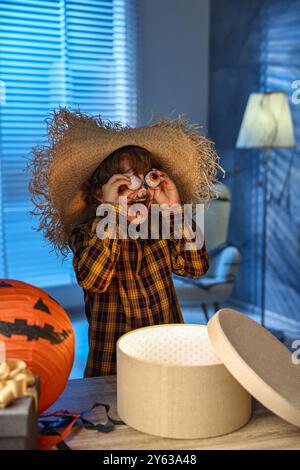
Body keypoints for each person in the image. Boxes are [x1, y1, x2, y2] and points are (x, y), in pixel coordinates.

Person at [29, 107, 221, 377]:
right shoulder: (88, 232)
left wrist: (175, 210)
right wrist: (113, 211)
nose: (140, 189)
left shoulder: (161, 226)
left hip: (165, 352)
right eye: (125, 182)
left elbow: (196, 267)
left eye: (146, 178)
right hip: (113, 362)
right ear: (99, 193)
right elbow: (93, 279)